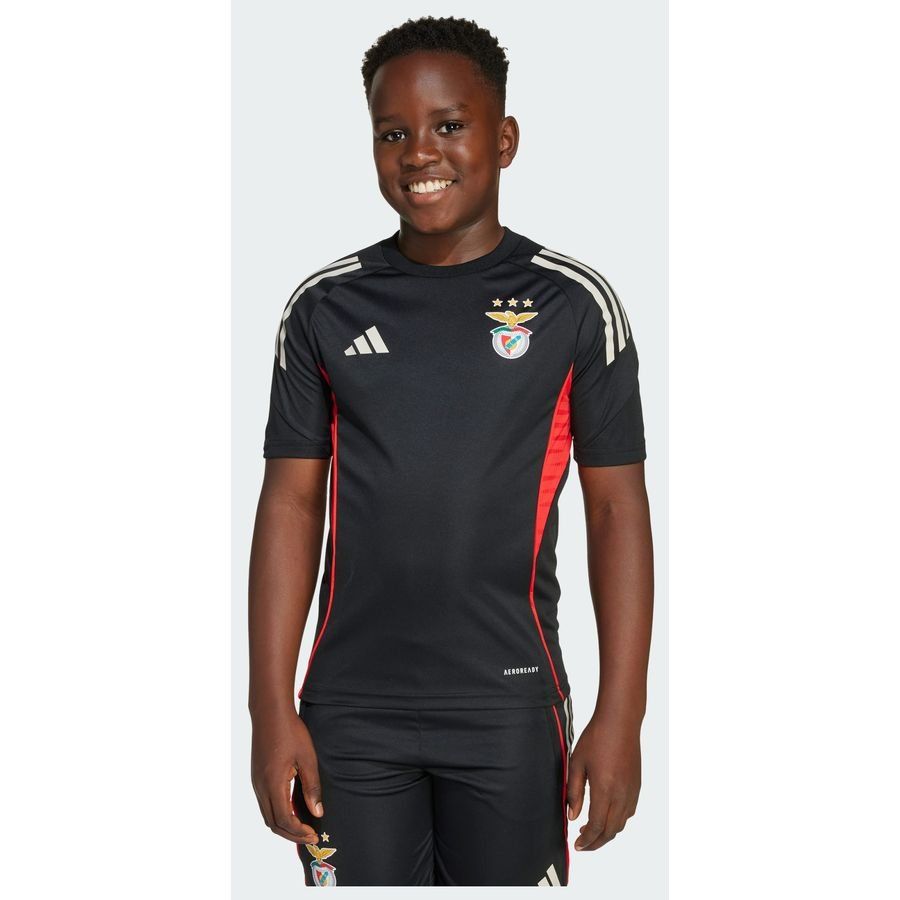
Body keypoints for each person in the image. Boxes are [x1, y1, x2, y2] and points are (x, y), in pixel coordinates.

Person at [248, 15, 654, 888]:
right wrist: (268, 708)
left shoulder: (574, 305)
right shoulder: (323, 307)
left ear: (504, 140)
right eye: (392, 132)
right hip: (348, 713)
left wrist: (622, 714)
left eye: (449, 125)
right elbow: (290, 503)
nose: (419, 153)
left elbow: (617, 509)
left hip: (508, 705)